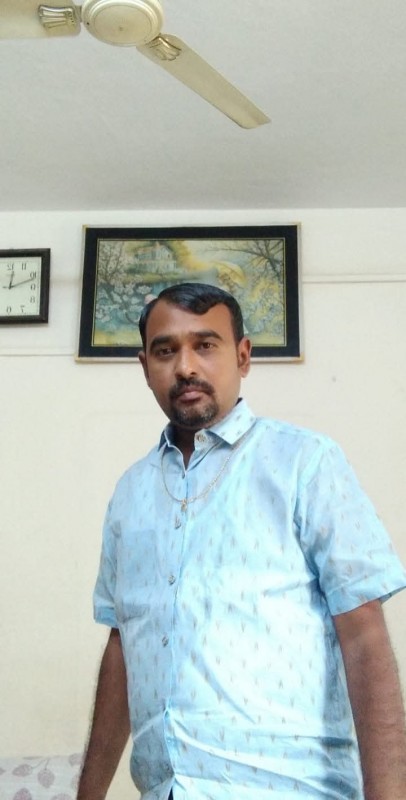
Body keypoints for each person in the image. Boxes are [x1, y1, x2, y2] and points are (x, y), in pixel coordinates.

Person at [77, 282, 406, 800]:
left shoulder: (305, 464)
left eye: (205, 345)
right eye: (165, 351)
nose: (185, 366)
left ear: (243, 356)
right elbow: (123, 648)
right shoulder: (130, 493)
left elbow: (364, 638)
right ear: (145, 367)